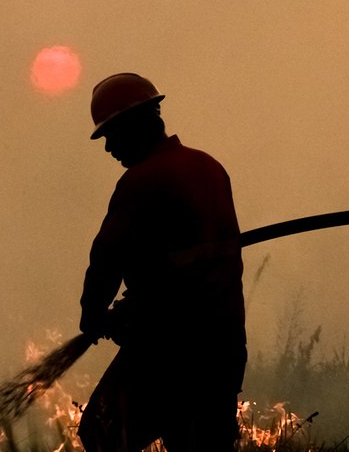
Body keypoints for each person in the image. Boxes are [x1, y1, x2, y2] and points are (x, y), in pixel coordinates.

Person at [76, 73, 247, 452]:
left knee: (102, 433)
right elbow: (198, 266)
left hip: (168, 352)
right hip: (224, 347)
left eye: (111, 135)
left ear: (134, 125)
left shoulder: (142, 181)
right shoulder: (208, 167)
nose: (108, 149)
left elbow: (107, 258)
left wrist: (93, 315)